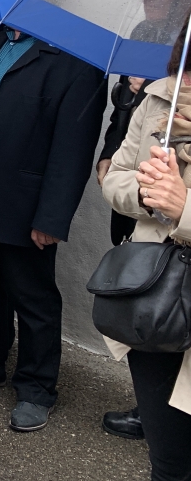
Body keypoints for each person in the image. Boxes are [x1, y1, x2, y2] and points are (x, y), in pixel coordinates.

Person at [0, 21, 106, 432]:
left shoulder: (76, 62)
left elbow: (73, 148)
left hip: (24, 206)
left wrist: (52, 218)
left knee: (33, 299)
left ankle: (36, 387)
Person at [101, 36, 191, 481]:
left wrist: (184, 207)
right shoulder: (159, 97)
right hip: (156, 301)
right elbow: (114, 176)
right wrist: (144, 192)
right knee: (170, 464)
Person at [96, 74, 152, 441]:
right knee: (146, 313)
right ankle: (150, 408)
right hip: (137, 217)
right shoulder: (145, 59)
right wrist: (108, 154)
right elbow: (121, 119)